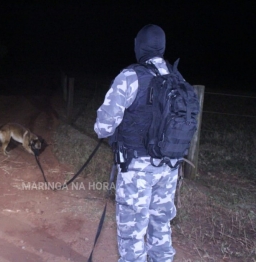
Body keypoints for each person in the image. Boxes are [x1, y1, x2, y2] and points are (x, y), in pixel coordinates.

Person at [94, 24, 178, 262]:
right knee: (160, 223)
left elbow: (103, 127)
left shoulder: (130, 77)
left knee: (132, 230)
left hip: (137, 169)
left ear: (139, 46)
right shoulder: (176, 78)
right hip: (170, 167)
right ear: (161, 47)